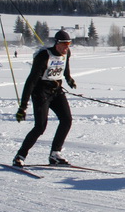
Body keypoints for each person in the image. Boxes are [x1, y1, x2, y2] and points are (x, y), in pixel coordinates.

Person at [12, 30, 77, 167]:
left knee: (67, 120)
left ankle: (55, 154)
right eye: (64, 44)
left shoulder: (66, 53)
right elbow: (31, 81)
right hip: (41, 92)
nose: (67, 47)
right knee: (40, 127)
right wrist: (22, 107)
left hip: (56, 91)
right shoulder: (43, 56)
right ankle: (20, 156)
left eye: (69, 44)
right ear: (57, 43)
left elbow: (65, 67)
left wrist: (69, 78)